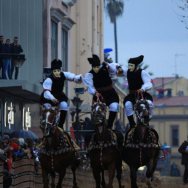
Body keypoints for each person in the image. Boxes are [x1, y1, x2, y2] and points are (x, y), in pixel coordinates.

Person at [40, 59, 82, 150]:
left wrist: (78, 78)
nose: (57, 72)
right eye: (55, 71)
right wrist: (52, 98)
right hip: (49, 97)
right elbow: (46, 92)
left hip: (59, 95)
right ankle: (46, 125)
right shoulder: (48, 79)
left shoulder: (64, 74)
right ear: (52, 71)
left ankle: (60, 125)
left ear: (60, 70)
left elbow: (73, 77)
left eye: (58, 70)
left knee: (64, 105)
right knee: (48, 109)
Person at [83, 54, 122, 129]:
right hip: (99, 95)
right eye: (94, 67)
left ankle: (109, 126)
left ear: (99, 65)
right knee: (97, 111)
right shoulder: (89, 74)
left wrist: (116, 67)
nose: (96, 69)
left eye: (97, 67)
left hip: (110, 93)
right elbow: (90, 86)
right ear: (92, 67)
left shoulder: (106, 67)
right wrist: (95, 92)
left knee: (114, 107)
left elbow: (115, 65)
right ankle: (97, 128)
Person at [121, 55, 153, 128]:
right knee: (127, 105)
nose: (129, 67)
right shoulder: (128, 71)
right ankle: (132, 124)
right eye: (129, 65)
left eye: (131, 66)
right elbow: (121, 69)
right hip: (132, 96)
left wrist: (142, 89)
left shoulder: (142, 72)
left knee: (149, 103)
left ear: (135, 66)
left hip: (142, 95)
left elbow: (148, 83)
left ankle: (146, 120)